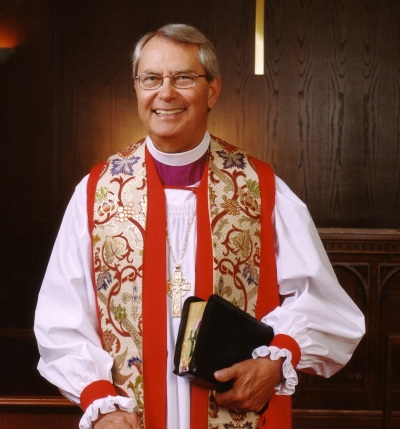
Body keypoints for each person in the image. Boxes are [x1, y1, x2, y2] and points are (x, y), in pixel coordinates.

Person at [34, 23, 365, 429]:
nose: (165, 93)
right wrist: (98, 398)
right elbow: (59, 318)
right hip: (130, 417)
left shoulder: (259, 187)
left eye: (184, 78)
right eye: (151, 78)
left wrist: (277, 361)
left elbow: (324, 302)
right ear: (137, 88)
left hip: (234, 411)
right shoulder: (97, 192)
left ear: (212, 90)